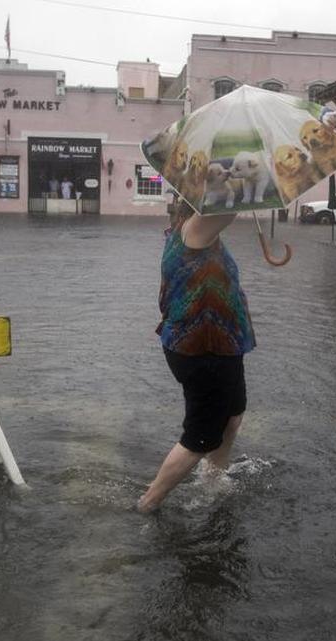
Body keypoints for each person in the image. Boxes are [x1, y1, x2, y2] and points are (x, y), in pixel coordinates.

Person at [137, 202, 255, 513]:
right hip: (203, 350)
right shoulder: (194, 230)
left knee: (232, 416)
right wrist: (255, 184)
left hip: (224, 346)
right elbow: (231, 207)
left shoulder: (197, 233)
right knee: (201, 436)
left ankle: (212, 480)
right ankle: (148, 503)